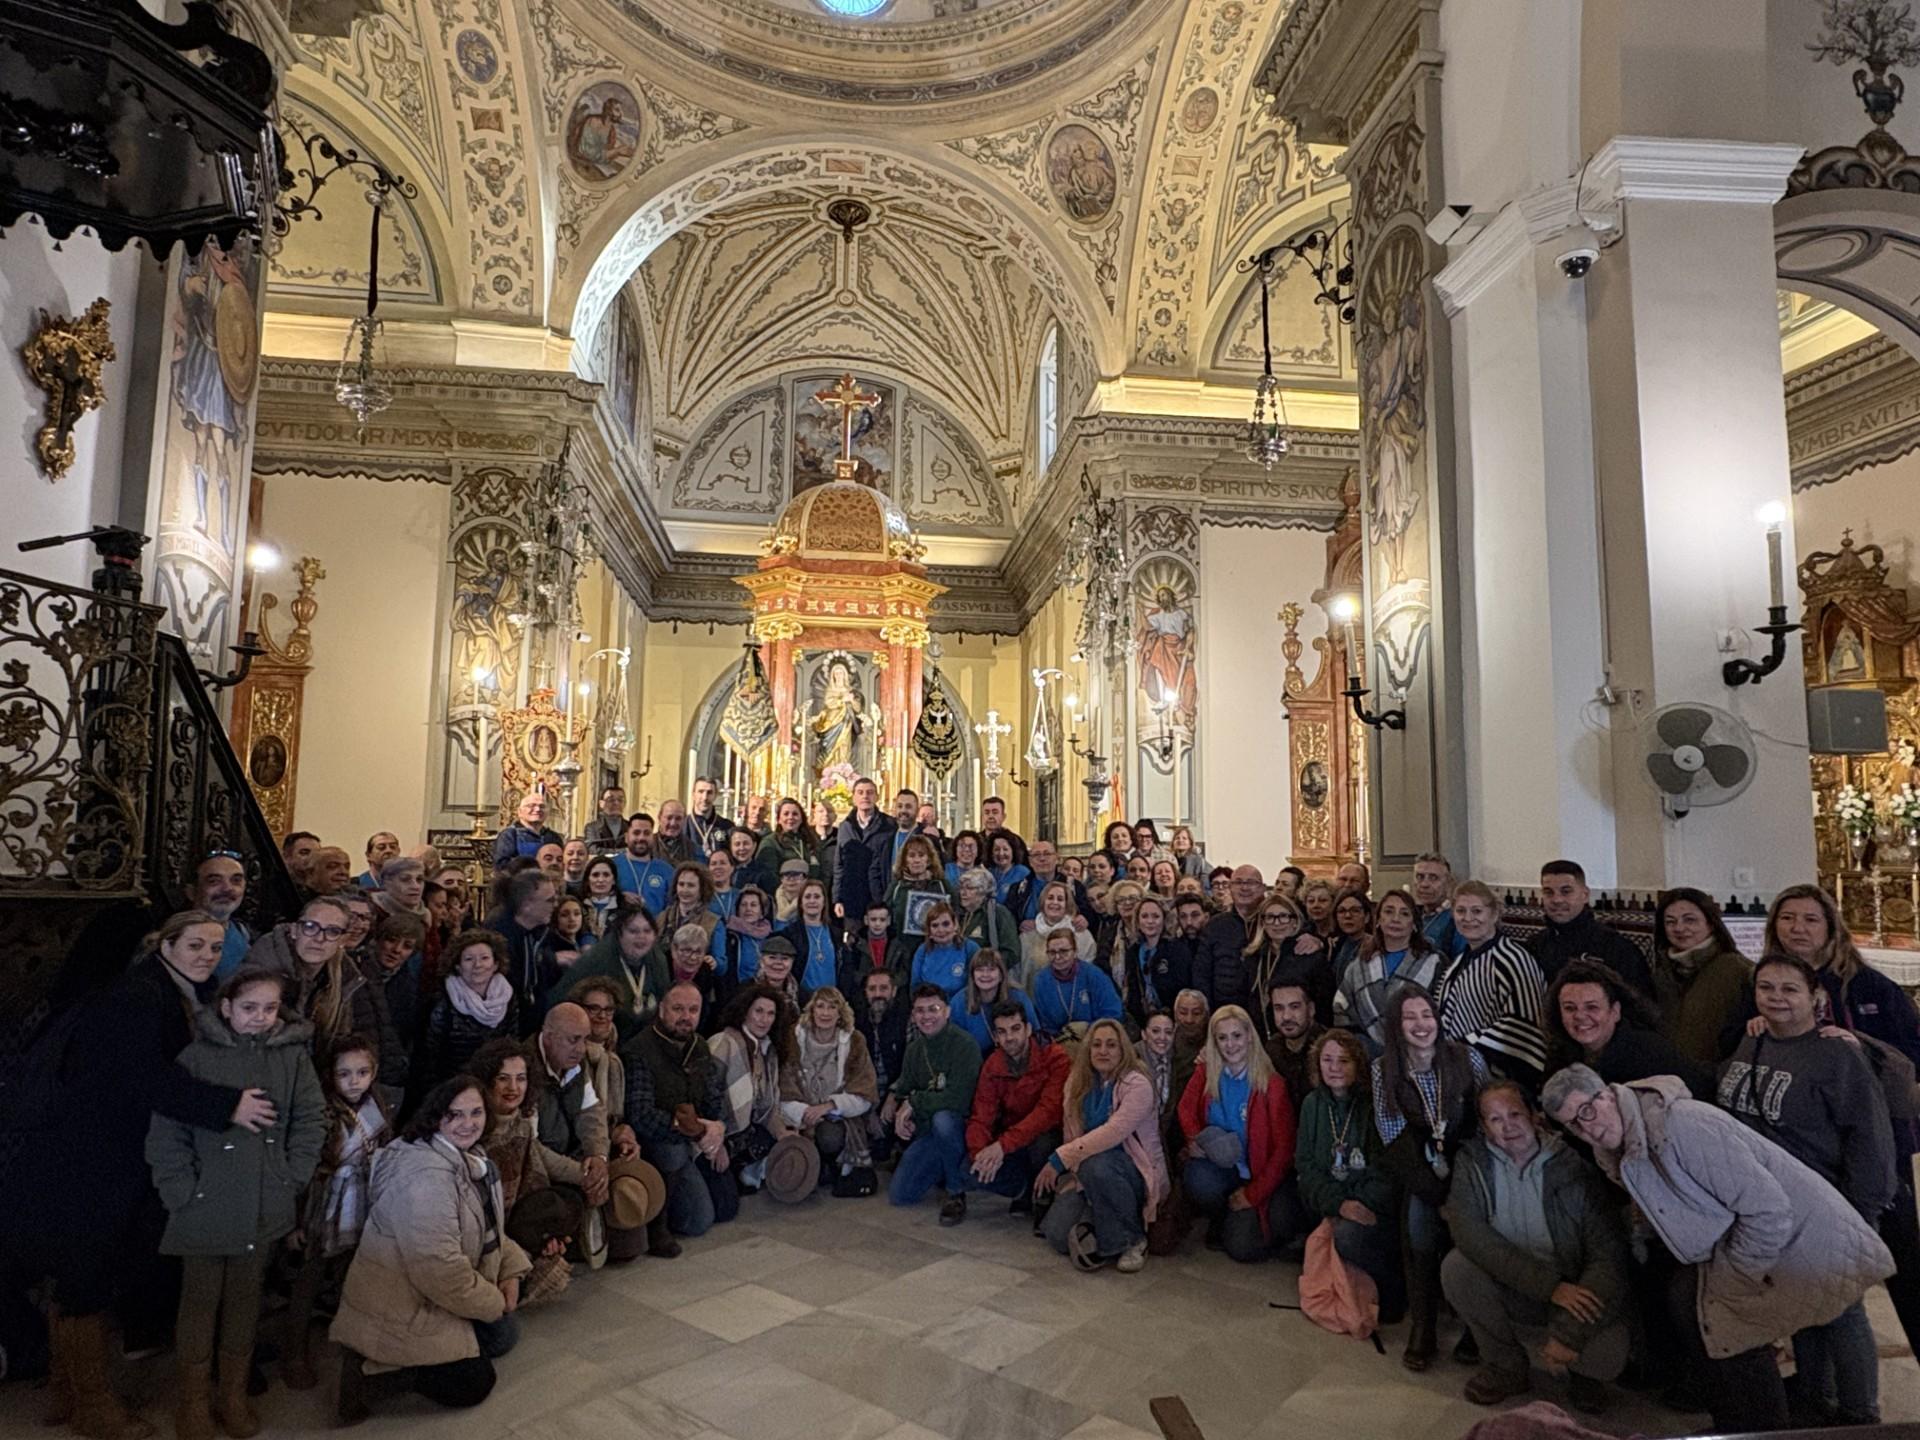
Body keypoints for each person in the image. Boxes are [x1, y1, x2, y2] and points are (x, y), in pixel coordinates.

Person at [1545, 1064, 1894, 1433]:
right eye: (1573, 1125)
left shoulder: (1685, 1125)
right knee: (1686, 1298)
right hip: (1745, 1239)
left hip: (1803, 1239)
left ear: (1607, 1093)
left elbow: (1769, 1212)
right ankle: (1734, 1420)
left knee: (1728, 1320)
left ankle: (1763, 1428)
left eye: (1587, 1110)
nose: (1588, 1128)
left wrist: (1733, 1280)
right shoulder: (1616, 1146)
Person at [146, 967, 326, 1440]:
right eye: (249, 1008)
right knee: (200, 1302)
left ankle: (231, 1394)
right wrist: (180, 1190)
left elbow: (310, 1119)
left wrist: (292, 1176)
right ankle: (193, 1402)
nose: (260, 1018)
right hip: (205, 1201)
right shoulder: (196, 1058)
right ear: (226, 1007)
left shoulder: (290, 1058)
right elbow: (167, 1134)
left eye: (270, 1009)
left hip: (266, 1197)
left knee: (246, 1299)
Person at [1718, 954, 1898, 1425]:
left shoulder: (1837, 1054)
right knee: (1803, 1308)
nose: (1777, 998)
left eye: (1789, 989)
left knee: (1840, 1310)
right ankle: (1816, 1401)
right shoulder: (1753, 1039)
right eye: (1766, 988)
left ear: (1815, 997)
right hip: (1768, 1208)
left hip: (1826, 1202)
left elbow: (1869, 1135)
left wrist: (1863, 1210)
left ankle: (1860, 1414)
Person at [330, 1076, 531, 1420]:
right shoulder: (427, 1177)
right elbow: (439, 1271)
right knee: (475, 1381)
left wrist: (512, 1269)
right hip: (405, 1302)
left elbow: (488, 1228)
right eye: (455, 1115)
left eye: (476, 1113)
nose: (468, 1124)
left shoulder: (468, 1157)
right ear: (436, 1117)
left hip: (431, 1289)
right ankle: (371, 1374)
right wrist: (493, 1301)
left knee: (503, 1335)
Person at [1442, 1082, 1631, 1413]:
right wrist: (1549, 1287)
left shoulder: (1573, 1168)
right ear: (1485, 1128)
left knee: (1607, 1357)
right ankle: (1506, 1366)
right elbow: (1470, 1234)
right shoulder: (1472, 1164)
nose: (1508, 1125)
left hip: (1571, 1288)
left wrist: (1570, 1332)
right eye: (1495, 1119)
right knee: (1457, 1268)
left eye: (1515, 1113)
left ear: (1535, 1116)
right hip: (1522, 1284)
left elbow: (1608, 1252)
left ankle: (1582, 1376)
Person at [1373, 986, 1487, 1371]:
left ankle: (1478, 1324)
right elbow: (1393, 1136)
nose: (1421, 1025)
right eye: (1410, 1017)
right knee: (1418, 1223)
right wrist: (1436, 1194)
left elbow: (1485, 1119)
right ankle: (1423, 1324)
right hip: (1420, 1168)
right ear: (1396, 1025)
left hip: (1467, 1161)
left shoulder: (1465, 1058)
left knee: (1470, 1227)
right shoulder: (1383, 1069)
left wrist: (1459, 1188)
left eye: (1426, 1015)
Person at [282, 1034, 392, 1391]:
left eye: (362, 1072)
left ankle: (356, 1349)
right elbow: (303, 1170)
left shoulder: (377, 1102)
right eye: (345, 1074)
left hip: (364, 1199)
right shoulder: (322, 1111)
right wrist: (295, 1221)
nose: (354, 1081)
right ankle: (294, 1352)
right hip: (324, 1203)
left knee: (354, 1275)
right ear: (331, 1076)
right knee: (309, 1280)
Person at [1037, 1019, 1169, 1274]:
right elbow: (1071, 1134)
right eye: (1096, 1045)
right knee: (1056, 1234)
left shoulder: (1137, 1083)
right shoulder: (1078, 1081)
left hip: (1133, 1172)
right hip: (1088, 1170)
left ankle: (1133, 1239)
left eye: (1111, 1045)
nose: (1103, 1051)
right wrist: (1073, 1173)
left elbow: (1112, 1133)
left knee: (1097, 1165)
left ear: (1123, 1050)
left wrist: (1058, 1160)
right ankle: (1104, 1220)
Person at [1177, 1004, 1303, 1263]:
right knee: (1197, 1177)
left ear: (1249, 1036)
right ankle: (1221, 1216)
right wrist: (1193, 1138)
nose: (1230, 1044)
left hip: (1262, 1174)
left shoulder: (1272, 1085)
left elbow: (1283, 1151)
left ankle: (1246, 1218)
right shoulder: (1206, 1072)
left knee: (1245, 1250)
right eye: (1222, 1038)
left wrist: (1252, 1195)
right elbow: (1185, 1108)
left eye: (1236, 1036)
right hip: (1225, 1169)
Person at [620, 982, 738, 1248]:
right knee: (673, 1154)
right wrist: (693, 1129)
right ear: (662, 1010)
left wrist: (717, 1129)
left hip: (692, 1140)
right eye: (678, 1009)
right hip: (653, 1144)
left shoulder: (698, 1046)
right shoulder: (638, 1050)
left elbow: (713, 1096)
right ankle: (656, 1222)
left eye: (693, 1010)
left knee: (716, 1213)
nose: (686, 1017)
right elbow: (641, 1115)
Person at [1294, 1029, 1401, 1312]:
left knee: (1349, 1236)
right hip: (1331, 1202)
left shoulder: (1373, 1107)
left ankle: (1389, 1285)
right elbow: (1305, 1165)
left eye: (1344, 1061)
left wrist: (1353, 1204)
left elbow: (1385, 1173)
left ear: (1358, 1065)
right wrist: (1338, 1203)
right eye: (1327, 1060)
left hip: (1368, 1205)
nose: (1334, 1068)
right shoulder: (1311, 1105)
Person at [470, 1040, 582, 1306]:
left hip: (516, 1218)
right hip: (484, 1231)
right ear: (487, 1082)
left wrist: (589, 1174)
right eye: (503, 1079)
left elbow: (538, 1168)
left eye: (520, 1079)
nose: (513, 1088)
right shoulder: (474, 1130)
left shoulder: (520, 1125)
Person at [251, 894, 404, 1083]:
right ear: (294, 930)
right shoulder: (261, 972)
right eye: (310, 927)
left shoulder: (343, 977)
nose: (319, 938)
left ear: (343, 939)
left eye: (332, 931)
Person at [1431, 881, 1549, 1088]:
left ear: (1494, 914)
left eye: (1477, 911)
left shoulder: (1512, 959)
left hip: (1498, 1075)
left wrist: (1462, 1046)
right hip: (1457, 1067)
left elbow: (1523, 1025)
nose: (1468, 919)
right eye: (1460, 911)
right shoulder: (1460, 960)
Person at [883, 985, 984, 1224]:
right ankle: (944, 1165)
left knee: (944, 1119)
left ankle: (955, 1191)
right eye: (920, 1011)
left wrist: (914, 1102)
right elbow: (906, 1087)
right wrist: (901, 1111)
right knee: (901, 1195)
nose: (926, 1016)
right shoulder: (915, 1049)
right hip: (928, 1132)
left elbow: (958, 1099)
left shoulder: (965, 1045)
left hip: (960, 1127)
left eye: (933, 1009)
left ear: (947, 1012)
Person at [1547, 959, 1713, 1099]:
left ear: (1615, 1011)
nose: (1580, 1016)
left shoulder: (1646, 1055)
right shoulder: (1562, 1053)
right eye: (1570, 1008)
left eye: (1592, 1007)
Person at [965, 1002, 1070, 1214]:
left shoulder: (1055, 1057)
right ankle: (1023, 1189)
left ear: (1028, 1029)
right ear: (995, 1037)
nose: (1009, 1038)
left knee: (1042, 1144)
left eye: (1015, 1029)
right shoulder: (992, 1066)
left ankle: (1044, 1200)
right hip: (1012, 1138)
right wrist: (980, 1154)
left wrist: (1002, 1146)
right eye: (1002, 1032)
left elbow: (1048, 1112)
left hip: (1047, 1134)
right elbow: (981, 1115)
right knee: (968, 1170)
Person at [779, 986, 880, 1196]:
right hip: (799, 1112)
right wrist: (804, 1111)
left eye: (832, 1007)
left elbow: (865, 1090)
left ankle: (830, 1162)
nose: (825, 1013)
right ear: (812, 1010)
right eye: (821, 1006)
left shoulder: (855, 1041)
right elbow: (784, 1083)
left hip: (835, 1116)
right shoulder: (793, 1038)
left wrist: (830, 1106)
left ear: (840, 1012)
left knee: (829, 1137)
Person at [1650, 887, 1751, 1067]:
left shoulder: (1738, 969)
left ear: (1710, 923)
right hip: (1667, 1077)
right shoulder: (1660, 974)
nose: (1679, 928)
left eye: (1690, 920)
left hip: (1717, 1076)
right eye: (1670, 922)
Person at [1334, 887, 1442, 1055]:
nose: (1396, 919)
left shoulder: (1433, 962)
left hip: (1419, 1053)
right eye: (1389, 912)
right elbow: (1342, 1008)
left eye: (1404, 914)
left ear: (1414, 924)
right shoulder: (1360, 965)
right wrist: (1361, 1046)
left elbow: (1442, 1009)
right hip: (1366, 1055)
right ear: (1378, 920)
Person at [709, 984, 796, 1191]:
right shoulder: (724, 1042)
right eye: (758, 1011)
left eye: (770, 1014)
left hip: (746, 1132)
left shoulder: (769, 1052)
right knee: (723, 1208)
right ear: (745, 1011)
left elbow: (768, 1107)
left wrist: (782, 1133)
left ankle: (741, 1169)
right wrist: (716, 1141)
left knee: (778, 1137)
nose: (764, 1019)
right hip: (718, 1134)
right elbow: (706, 1098)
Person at [1528, 860, 1654, 998]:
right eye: (1549, 892)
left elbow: (1641, 1007)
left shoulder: (1616, 948)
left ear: (1585, 895)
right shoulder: (1534, 946)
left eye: (1566, 892)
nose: (1557, 900)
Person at [421, 931, 522, 1088]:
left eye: (484, 958)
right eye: (469, 959)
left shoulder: (508, 997)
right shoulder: (443, 1002)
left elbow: (511, 1044)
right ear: (457, 966)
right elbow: (429, 1056)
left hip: (494, 1083)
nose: (478, 965)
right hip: (451, 1084)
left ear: (496, 964)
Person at [1242, 894, 1333, 1035]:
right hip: (1261, 1036)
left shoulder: (1311, 957)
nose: (1277, 923)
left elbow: (1324, 1005)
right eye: (1270, 917)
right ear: (1263, 923)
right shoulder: (1253, 958)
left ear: (1295, 922)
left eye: (1283, 916)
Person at [557, 904, 655, 1032]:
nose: (641, 937)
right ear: (619, 934)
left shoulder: (657, 961)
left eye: (647, 931)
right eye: (633, 931)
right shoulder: (596, 962)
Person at [488, 869, 562, 1035]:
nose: (556, 905)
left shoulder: (537, 931)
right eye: (550, 900)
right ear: (527, 905)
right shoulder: (499, 940)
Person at [1029, 927, 1124, 1041]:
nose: (1058, 957)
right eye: (1052, 952)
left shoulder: (1094, 975)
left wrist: (1088, 1029)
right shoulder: (1041, 981)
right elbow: (1044, 1025)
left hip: (1096, 1039)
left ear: (1075, 952)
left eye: (1064, 951)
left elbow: (1113, 1013)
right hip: (1060, 1042)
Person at [1193, 864, 1267, 1011]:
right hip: (1223, 1010)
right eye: (1238, 882)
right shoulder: (1215, 925)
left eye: (1251, 882)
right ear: (1231, 888)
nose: (1244, 888)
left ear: (1263, 888)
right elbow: (1202, 973)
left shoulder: (1273, 921)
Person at [832, 777, 896, 935]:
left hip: (878, 896)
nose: (865, 796)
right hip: (852, 897)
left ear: (877, 797)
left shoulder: (889, 825)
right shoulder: (845, 827)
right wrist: (837, 898)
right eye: (860, 793)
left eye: (869, 793)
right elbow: (839, 865)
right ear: (854, 797)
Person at [952, 948, 1039, 1053]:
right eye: (979, 970)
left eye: (991, 969)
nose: (985, 975)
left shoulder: (1019, 997)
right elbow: (955, 1043)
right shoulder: (959, 1002)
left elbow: (1034, 1033)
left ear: (1001, 974)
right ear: (972, 975)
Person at [1121, 895, 1191, 1026]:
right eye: (1145, 916)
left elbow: (1182, 986)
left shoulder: (1177, 949)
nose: (1150, 921)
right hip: (1143, 1018)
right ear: (1137, 920)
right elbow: (1133, 988)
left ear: (1164, 919)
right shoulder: (1133, 950)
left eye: (1155, 916)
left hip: (1172, 1017)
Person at [1262, 980, 1326, 1115]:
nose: (1286, 1016)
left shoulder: (1328, 1049)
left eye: (1295, 1007)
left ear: (1311, 1009)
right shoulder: (1271, 1050)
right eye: (1279, 1008)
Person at [1020, 879, 1095, 986]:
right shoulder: (1027, 936)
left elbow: (1089, 972)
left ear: (1067, 904)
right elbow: (1020, 973)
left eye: (1060, 899)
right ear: (1043, 902)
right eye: (1050, 898)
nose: (1055, 902)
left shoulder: (1082, 935)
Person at [191, 850, 252, 980]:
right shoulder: (176, 938)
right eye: (214, 881)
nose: (227, 888)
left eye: (236, 880)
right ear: (191, 890)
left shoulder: (242, 932)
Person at [885, 834, 953, 938]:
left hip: (936, 948)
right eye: (912, 856)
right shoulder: (896, 887)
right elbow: (885, 917)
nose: (917, 860)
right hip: (903, 949)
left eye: (921, 855)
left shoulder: (942, 885)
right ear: (905, 861)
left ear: (929, 860)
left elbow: (955, 914)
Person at [908, 903, 980, 999]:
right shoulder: (922, 950)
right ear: (929, 930)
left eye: (946, 924)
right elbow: (915, 986)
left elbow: (976, 984)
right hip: (929, 1005)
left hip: (962, 1004)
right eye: (935, 925)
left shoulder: (970, 948)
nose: (941, 930)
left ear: (955, 925)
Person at [611, 813, 676, 914]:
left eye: (647, 833)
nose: (641, 838)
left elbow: (673, 908)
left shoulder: (667, 870)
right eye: (636, 833)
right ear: (626, 837)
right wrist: (619, 897)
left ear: (652, 837)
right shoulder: (611, 866)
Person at [786, 878, 841, 993]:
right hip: (803, 1000)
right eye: (807, 897)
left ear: (824, 902)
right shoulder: (791, 933)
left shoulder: (836, 934)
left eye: (817, 897)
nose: (812, 901)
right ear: (800, 903)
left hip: (832, 1000)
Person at [955, 865, 1019, 955]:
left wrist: (989, 966)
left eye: (970, 888)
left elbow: (1011, 952)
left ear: (983, 891)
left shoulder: (998, 912)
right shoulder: (959, 914)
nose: (963, 893)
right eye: (961, 888)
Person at [756, 797, 821, 884]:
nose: (790, 817)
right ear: (779, 819)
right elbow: (768, 877)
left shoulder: (810, 840)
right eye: (786, 814)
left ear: (801, 819)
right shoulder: (770, 842)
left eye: (795, 814)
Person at [491, 791, 562, 870]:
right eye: (531, 806)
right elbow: (502, 866)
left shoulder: (553, 837)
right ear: (520, 812)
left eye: (542, 806)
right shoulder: (508, 836)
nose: (538, 809)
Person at [1411, 852, 1461, 956]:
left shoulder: (1457, 920)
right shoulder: (1412, 916)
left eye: (1433, 878)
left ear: (1448, 882)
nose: (1425, 884)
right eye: (1420, 877)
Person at [686, 776, 734, 860]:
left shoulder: (727, 827)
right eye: (701, 792)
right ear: (693, 794)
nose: (705, 797)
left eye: (709, 792)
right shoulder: (683, 826)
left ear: (715, 795)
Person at [1328, 890, 1373, 978]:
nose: (1348, 916)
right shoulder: (1335, 945)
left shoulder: (1374, 946)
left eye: (1355, 911)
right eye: (1342, 911)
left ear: (1367, 917)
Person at [978, 795, 1027, 869]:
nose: (990, 816)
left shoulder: (1015, 840)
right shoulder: (976, 841)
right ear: (982, 817)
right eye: (987, 813)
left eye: (995, 812)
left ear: (1003, 816)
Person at [988, 833, 1030, 907]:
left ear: (1013, 851)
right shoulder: (988, 873)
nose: (1001, 853)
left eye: (1005, 849)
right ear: (991, 853)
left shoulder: (1023, 873)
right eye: (996, 849)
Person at [655, 799, 696, 866]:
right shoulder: (648, 845)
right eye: (669, 818)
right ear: (659, 818)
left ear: (684, 820)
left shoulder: (693, 850)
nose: (673, 823)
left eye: (678, 818)